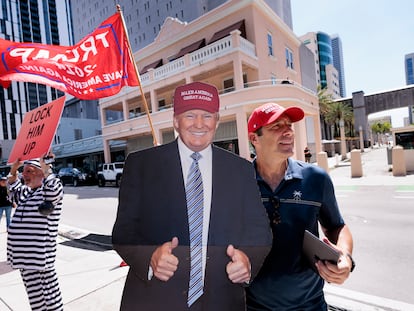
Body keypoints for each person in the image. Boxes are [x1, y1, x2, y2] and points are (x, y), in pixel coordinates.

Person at [112, 81, 272, 310]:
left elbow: (260, 231)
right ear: (176, 121)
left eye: (207, 115)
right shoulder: (141, 165)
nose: (199, 124)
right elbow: (123, 232)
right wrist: (149, 257)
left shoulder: (241, 169)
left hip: (222, 301)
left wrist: (247, 258)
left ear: (216, 121)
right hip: (153, 301)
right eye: (189, 115)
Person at [246, 103, 355, 310]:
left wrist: (345, 256)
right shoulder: (238, 182)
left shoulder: (316, 178)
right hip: (253, 306)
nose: (288, 131)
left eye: (289, 125)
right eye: (276, 126)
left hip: (310, 305)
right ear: (254, 138)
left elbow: (336, 226)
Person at [6, 155, 64, 311]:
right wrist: (13, 170)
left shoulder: (48, 192)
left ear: (41, 173)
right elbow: (12, 190)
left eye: (29, 171)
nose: (24, 175)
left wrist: (46, 167)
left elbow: (54, 188)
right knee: (35, 298)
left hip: (39, 261)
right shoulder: (26, 193)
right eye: (24, 171)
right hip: (23, 259)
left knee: (50, 298)